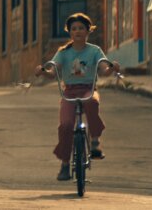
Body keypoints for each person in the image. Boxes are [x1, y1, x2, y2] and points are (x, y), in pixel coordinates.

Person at [34, 13, 120, 181]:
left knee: (92, 102)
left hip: (88, 88)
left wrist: (112, 68)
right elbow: (54, 71)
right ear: (69, 32)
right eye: (74, 29)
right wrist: (43, 71)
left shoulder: (94, 51)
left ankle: (95, 141)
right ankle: (65, 164)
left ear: (88, 31)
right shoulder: (63, 53)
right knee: (66, 125)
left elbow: (104, 69)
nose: (77, 31)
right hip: (69, 92)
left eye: (81, 28)